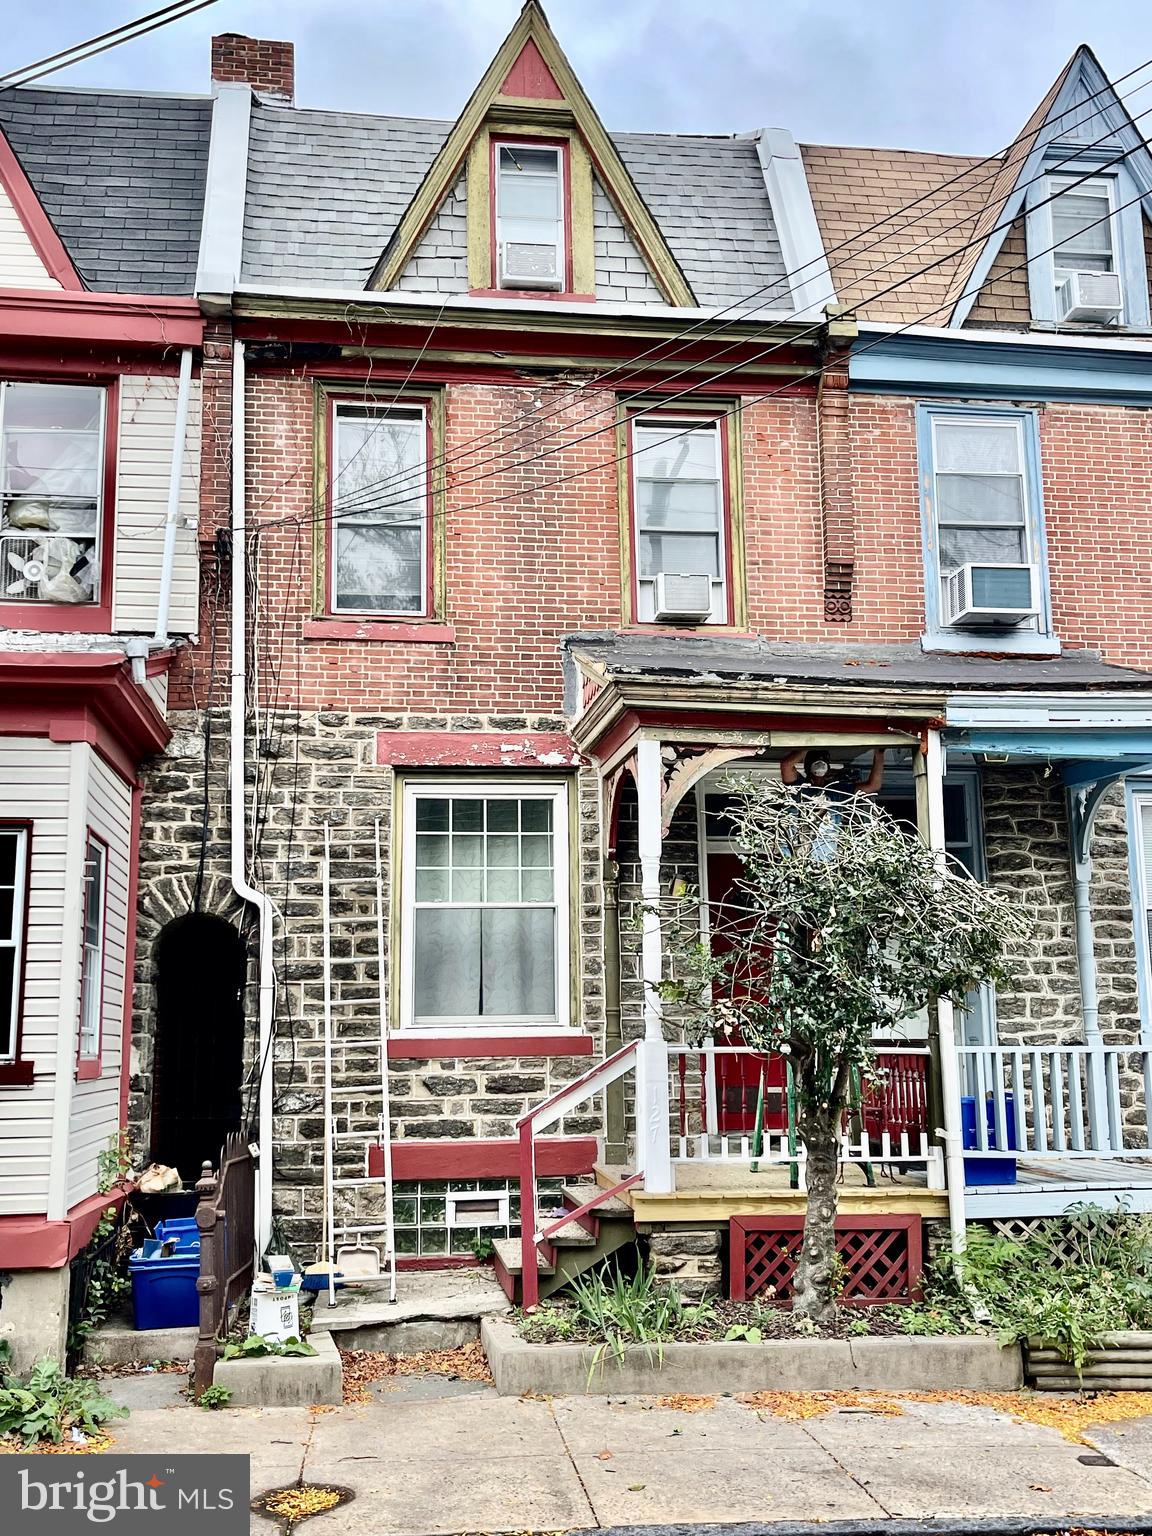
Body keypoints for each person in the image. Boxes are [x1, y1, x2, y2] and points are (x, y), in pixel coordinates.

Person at [780, 747, 886, 800]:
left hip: (826, 841)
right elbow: (786, 765)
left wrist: (879, 754)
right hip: (799, 840)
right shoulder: (798, 786)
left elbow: (873, 786)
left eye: (823, 759)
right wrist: (808, 746)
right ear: (807, 765)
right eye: (815, 759)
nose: (820, 762)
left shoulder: (835, 790)